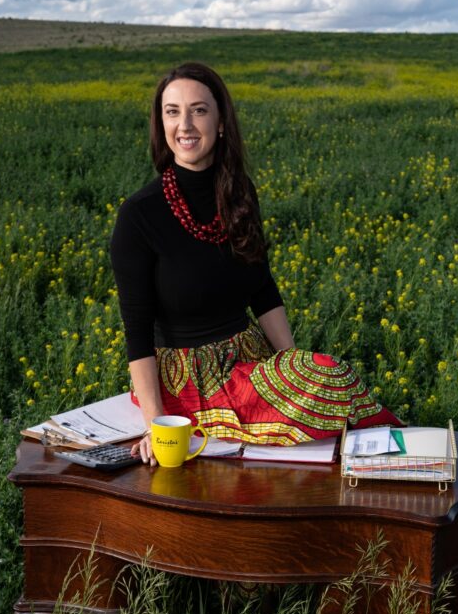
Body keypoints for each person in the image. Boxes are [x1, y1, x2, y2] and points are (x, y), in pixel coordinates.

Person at [110, 62, 400, 466]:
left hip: (248, 357)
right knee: (330, 376)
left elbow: (262, 289)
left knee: (324, 377)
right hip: (187, 378)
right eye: (172, 111)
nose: (185, 125)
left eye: (199, 110)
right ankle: (390, 456)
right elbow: (136, 330)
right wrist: (158, 424)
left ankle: (398, 463)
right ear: (161, 124)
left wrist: (292, 367)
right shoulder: (138, 215)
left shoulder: (239, 193)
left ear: (222, 122)